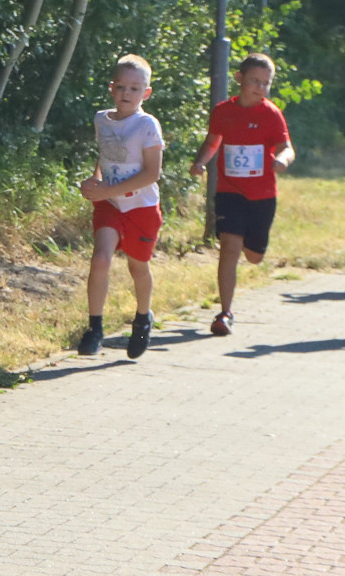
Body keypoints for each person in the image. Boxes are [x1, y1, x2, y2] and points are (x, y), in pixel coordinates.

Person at [190, 53, 295, 335]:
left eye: (266, 83)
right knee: (229, 247)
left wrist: (283, 159)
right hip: (229, 190)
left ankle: (254, 246)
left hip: (262, 195)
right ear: (239, 79)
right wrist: (201, 161)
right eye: (254, 82)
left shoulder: (271, 114)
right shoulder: (223, 111)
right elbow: (213, 142)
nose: (260, 88)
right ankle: (225, 313)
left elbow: (287, 146)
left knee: (254, 256)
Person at [76, 54, 165, 359]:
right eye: (122, 87)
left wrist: (108, 189)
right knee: (100, 259)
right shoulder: (102, 119)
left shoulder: (147, 125)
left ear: (146, 94)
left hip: (142, 207)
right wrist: (94, 180)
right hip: (109, 204)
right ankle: (94, 328)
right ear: (112, 88)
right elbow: (106, 155)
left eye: (135, 89)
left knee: (137, 266)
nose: (127, 94)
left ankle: (142, 318)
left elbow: (152, 173)